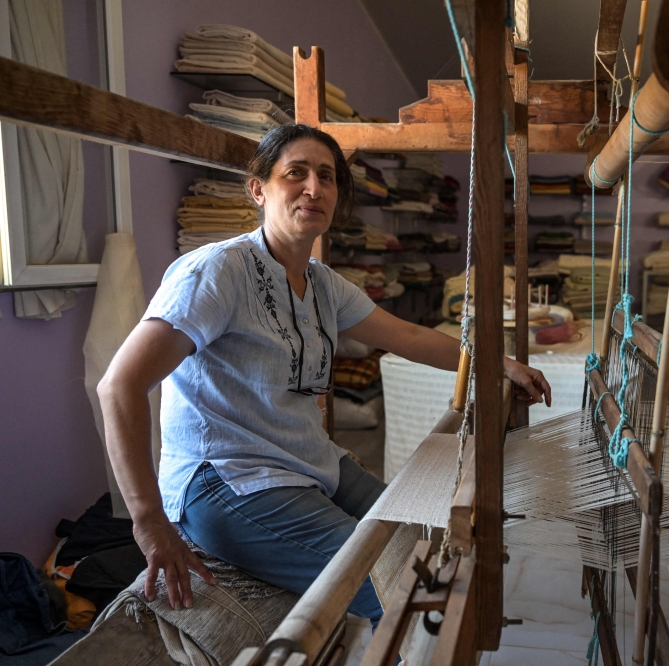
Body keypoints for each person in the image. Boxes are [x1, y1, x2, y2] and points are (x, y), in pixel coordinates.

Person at [97, 124, 552, 629]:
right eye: (296, 173)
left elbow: (410, 337)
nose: (314, 188)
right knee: (402, 588)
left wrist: (498, 364)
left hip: (308, 462)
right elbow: (119, 386)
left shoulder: (321, 284)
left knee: (422, 540)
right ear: (259, 188)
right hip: (228, 480)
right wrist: (149, 523)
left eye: (327, 177)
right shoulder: (217, 272)